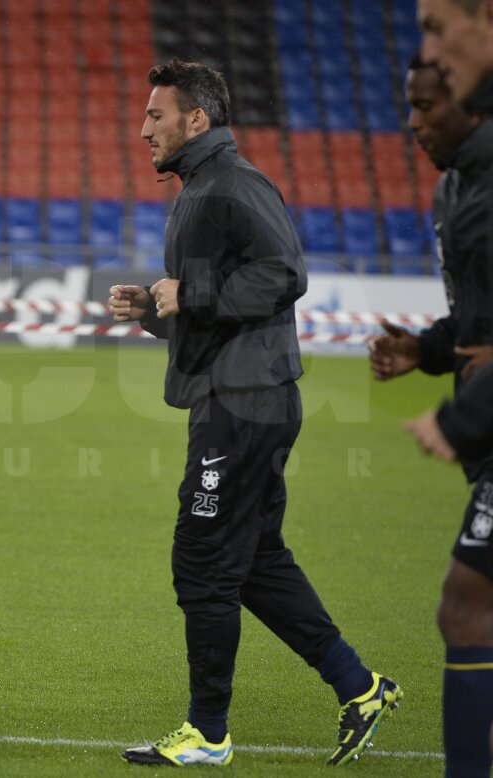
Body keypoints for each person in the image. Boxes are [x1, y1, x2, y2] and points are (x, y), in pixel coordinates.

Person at [108, 59, 401, 768]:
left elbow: (284, 273)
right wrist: (155, 309)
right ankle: (360, 688)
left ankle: (208, 732)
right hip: (237, 395)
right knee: (252, 557)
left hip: (244, 403)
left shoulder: (235, 184)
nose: (143, 128)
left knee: (202, 560)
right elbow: (217, 309)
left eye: (155, 114)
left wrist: (191, 293)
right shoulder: (201, 187)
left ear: (196, 119)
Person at [400, 37, 493, 778]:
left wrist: (458, 419)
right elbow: (475, 320)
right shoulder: (455, 189)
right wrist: (425, 350)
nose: (414, 122)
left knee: (463, 605)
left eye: (427, 105)